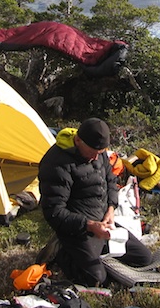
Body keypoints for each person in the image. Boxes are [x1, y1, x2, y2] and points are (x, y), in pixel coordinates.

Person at [38, 117, 153, 286]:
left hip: (103, 224)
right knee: (96, 279)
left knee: (144, 258)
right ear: (78, 140)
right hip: (77, 229)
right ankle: (62, 252)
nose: (95, 157)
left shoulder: (99, 154)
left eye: (99, 153)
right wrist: (89, 225)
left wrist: (111, 210)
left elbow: (111, 181)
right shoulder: (56, 164)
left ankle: (100, 248)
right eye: (92, 152)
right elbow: (53, 212)